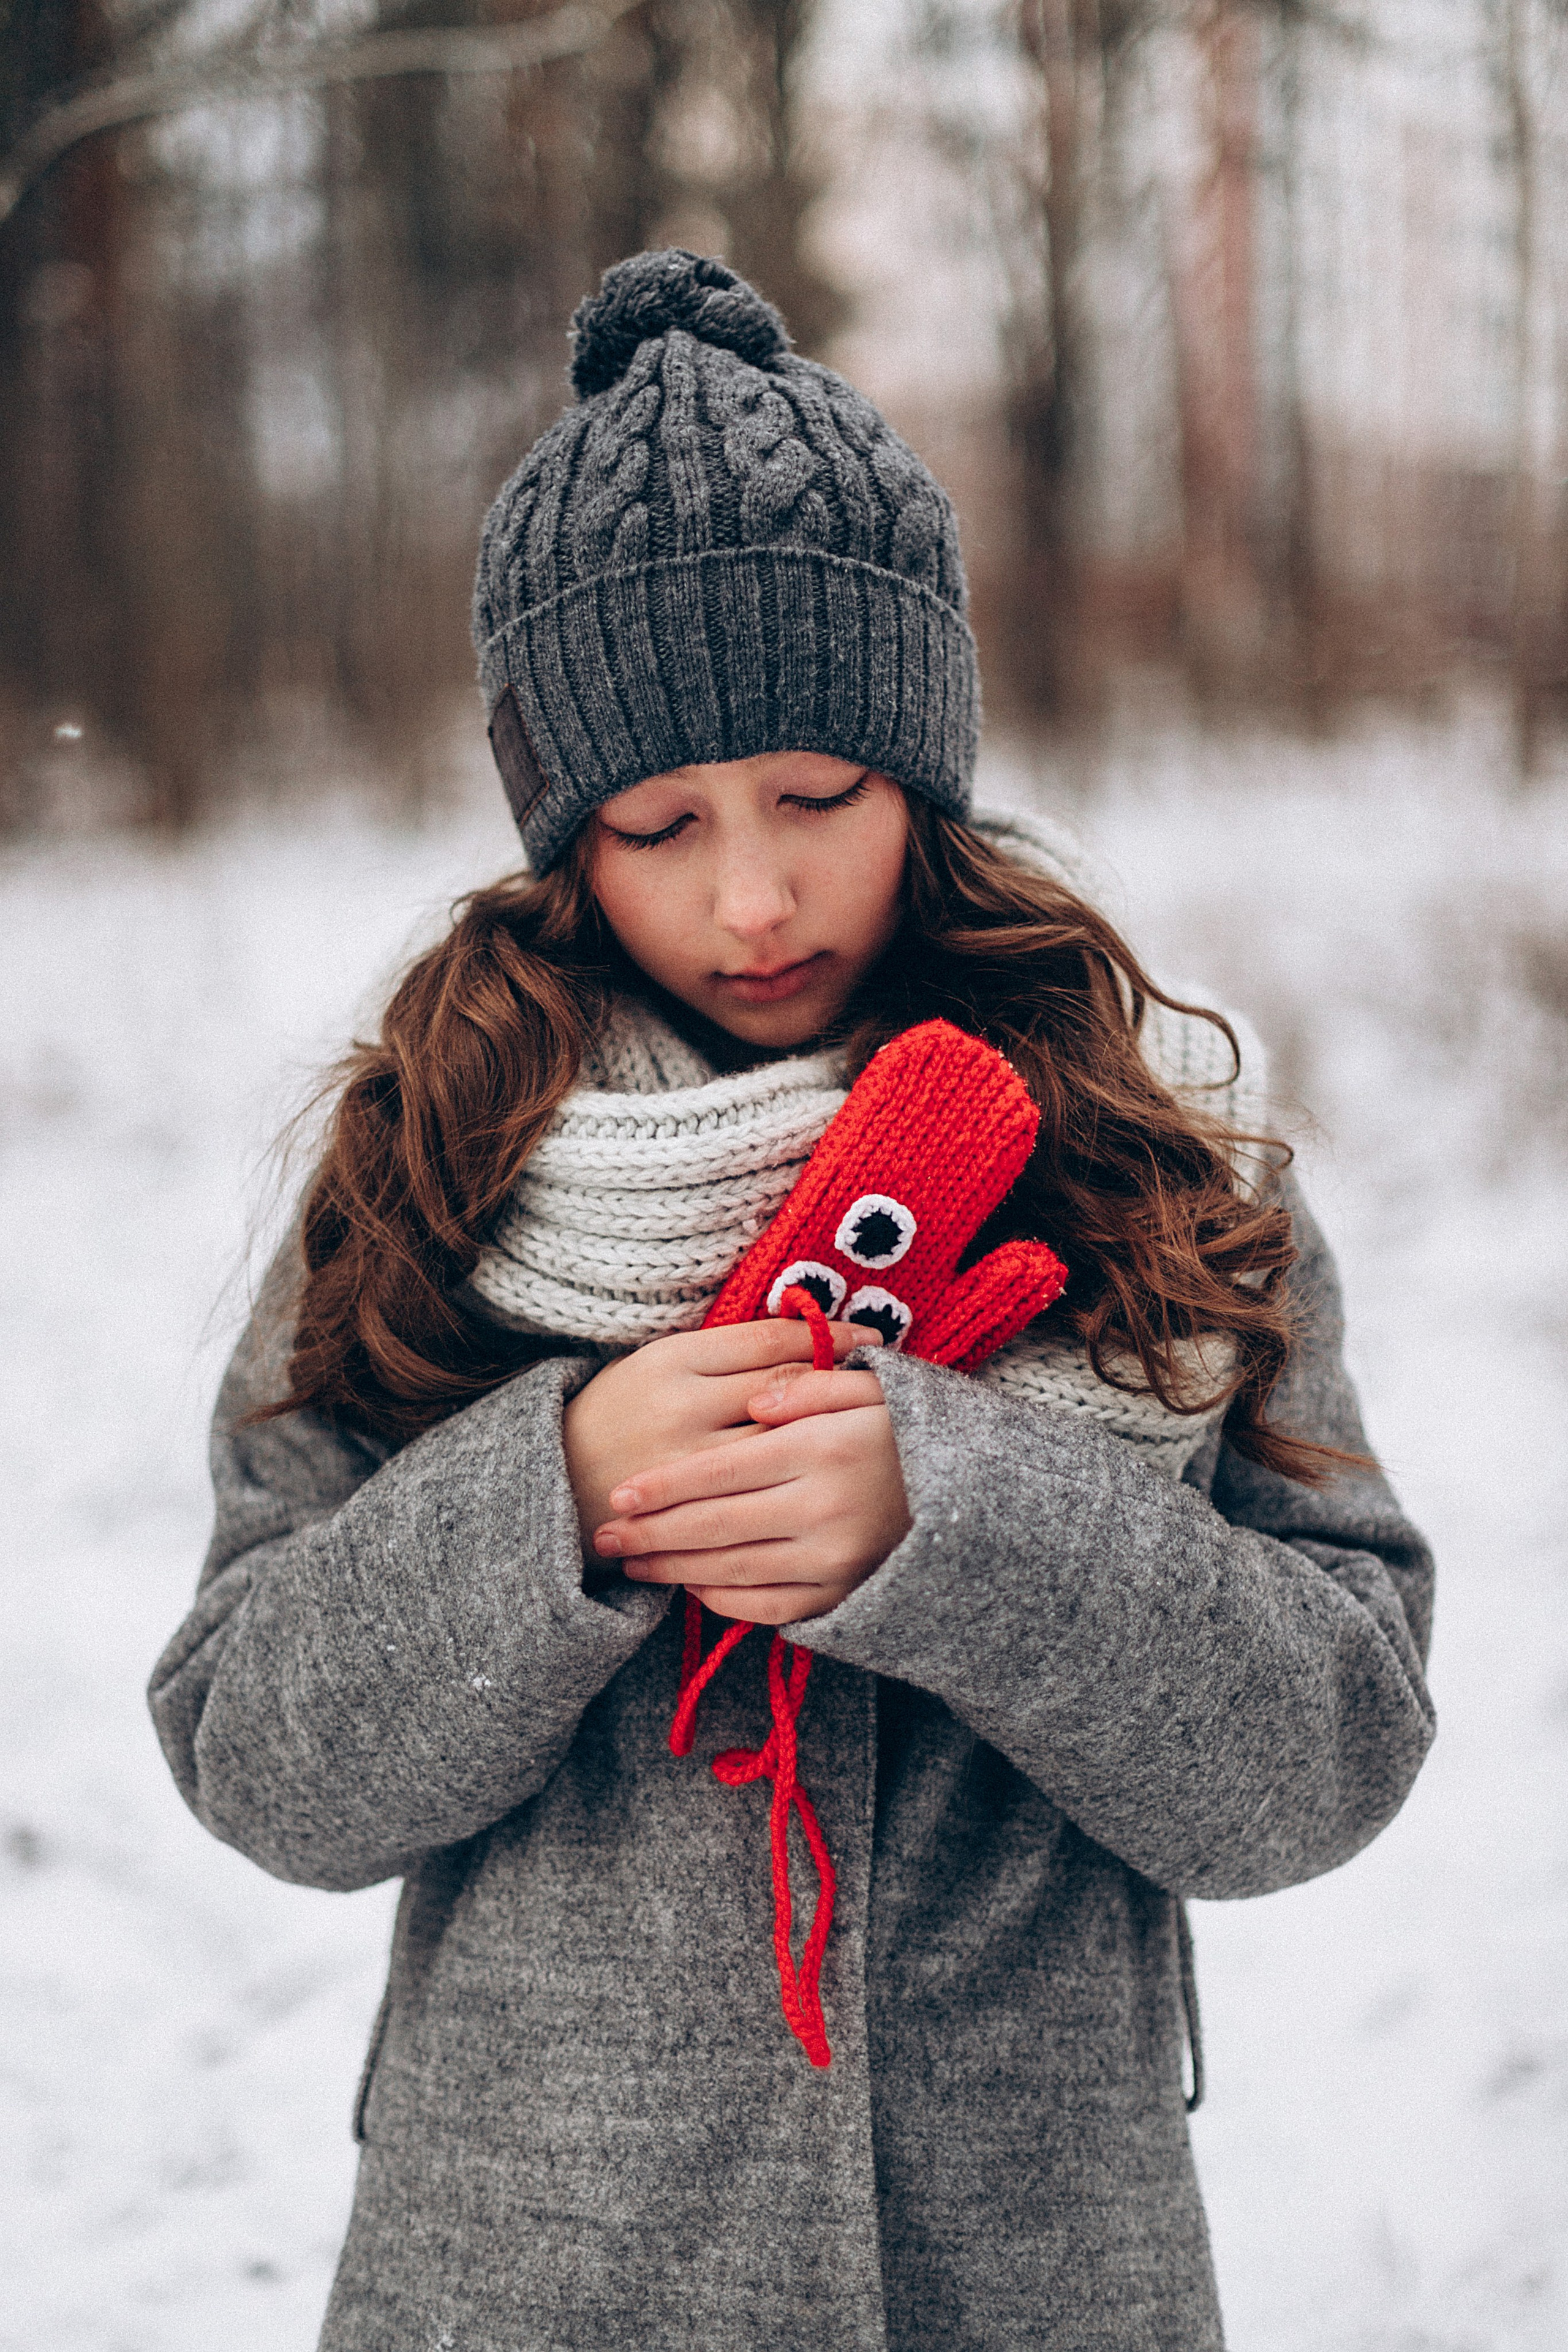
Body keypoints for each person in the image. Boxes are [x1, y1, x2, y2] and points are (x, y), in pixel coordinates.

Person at [148, 249, 1436, 2351]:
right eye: (658, 825)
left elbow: (1327, 1755)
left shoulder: (1163, 1176)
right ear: (564, 838)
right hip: (536, 2283)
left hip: (1023, 2284)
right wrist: (545, 1494)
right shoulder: (429, 1185)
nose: (751, 898)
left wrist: (970, 1524)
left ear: (924, 771)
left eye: (820, 801)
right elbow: (259, 1759)